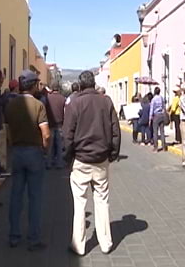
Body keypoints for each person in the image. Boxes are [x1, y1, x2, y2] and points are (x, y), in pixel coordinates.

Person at [63, 70, 121, 256]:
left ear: (79, 85)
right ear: (94, 83)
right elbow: (115, 131)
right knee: (102, 200)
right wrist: (112, 153)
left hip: (80, 159)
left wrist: (68, 158)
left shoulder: (75, 104)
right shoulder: (106, 101)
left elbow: (68, 135)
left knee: (79, 203)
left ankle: (78, 245)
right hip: (101, 159)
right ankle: (106, 242)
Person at [5, 70, 50, 251]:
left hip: (16, 151)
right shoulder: (38, 105)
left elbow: (7, 131)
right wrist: (45, 150)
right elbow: (45, 134)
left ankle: (14, 236)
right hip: (34, 152)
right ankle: (33, 238)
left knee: (16, 195)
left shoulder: (10, 105)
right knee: (35, 196)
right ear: (32, 85)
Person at [45, 82, 67, 169]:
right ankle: (59, 163)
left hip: (50, 124)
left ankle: (48, 163)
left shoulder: (47, 98)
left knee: (49, 146)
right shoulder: (63, 99)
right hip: (60, 124)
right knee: (59, 146)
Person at [149, 87, 167, 152]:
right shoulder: (161, 98)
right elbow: (164, 106)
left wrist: (150, 118)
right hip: (161, 115)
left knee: (155, 132)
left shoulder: (153, 99)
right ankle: (164, 146)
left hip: (156, 115)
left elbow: (151, 109)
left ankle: (156, 147)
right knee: (162, 132)